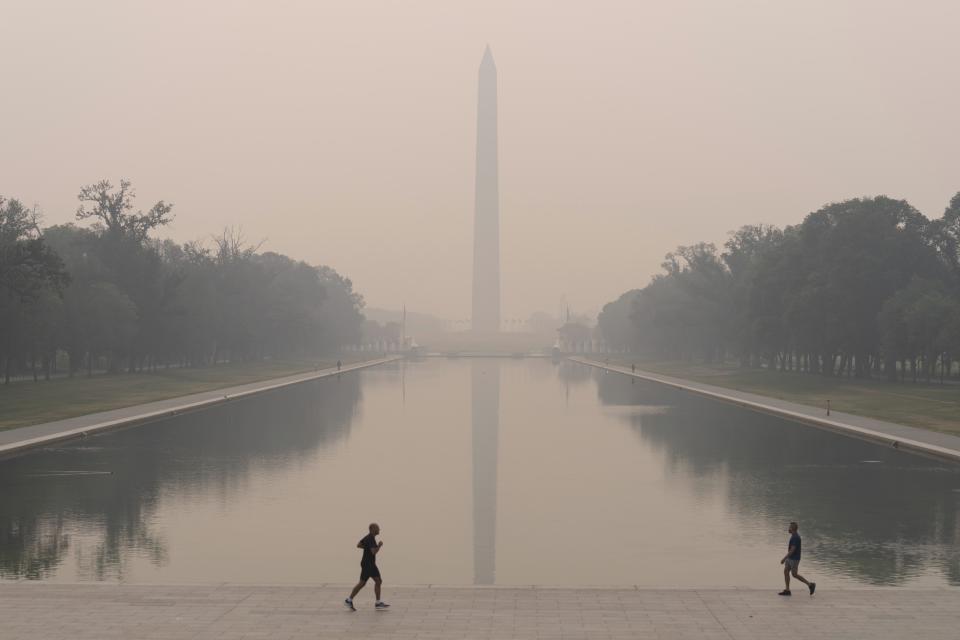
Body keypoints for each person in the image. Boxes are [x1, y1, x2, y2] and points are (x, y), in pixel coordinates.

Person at [345, 523, 389, 610]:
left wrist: (367, 547)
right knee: (374, 581)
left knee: (367, 582)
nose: (379, 530)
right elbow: (373, 552)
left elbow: (359, 545)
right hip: (369, 564)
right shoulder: (370, 538)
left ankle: (349, 600)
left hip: (367, 563)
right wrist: (379, 546)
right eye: (377, 528)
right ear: (372, 529)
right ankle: (377, 602)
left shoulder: (368, 537)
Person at [779, 522, 815, 596]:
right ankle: (787, 590)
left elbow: (792, 550)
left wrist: (784, 558)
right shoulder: (793, 536)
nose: (788, 529)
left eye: (789, 527)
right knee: (786, 571)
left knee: (794, 574)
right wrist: (787, 558)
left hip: (794, 559)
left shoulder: (795, 537)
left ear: (792, 528)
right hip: (790, 558)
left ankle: (810, 585)